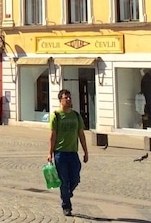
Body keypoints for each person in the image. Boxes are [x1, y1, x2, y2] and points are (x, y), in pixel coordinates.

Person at [48, 89, 89, 217]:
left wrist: (86, 152)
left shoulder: (76, 116)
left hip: (73, 153)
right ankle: (66, 205)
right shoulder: (56, 115)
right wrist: (50, 153)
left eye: (70, 97)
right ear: (60, 100)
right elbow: (52, 136)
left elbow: (81, 134)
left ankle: (67, 193)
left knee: (75, 178)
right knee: (64, 181)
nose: (69, 100)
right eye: (66, 98)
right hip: (60, 153)